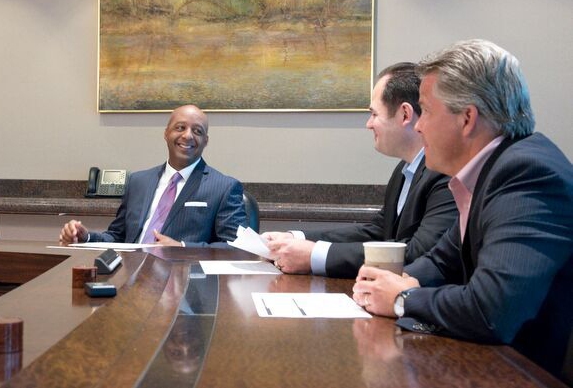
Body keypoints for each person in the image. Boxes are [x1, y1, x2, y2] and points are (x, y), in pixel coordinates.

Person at [352, 39, 573, 382]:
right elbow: (444, 258)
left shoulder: (527, 174)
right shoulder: (491, 170)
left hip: (520, 374)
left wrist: (402, 299)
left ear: (467, 118)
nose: (419, 126)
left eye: (424, 111)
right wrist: (404, 279)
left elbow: (492, 309)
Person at [264, 63, 457, 278]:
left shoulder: (446, 175)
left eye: (374, 114)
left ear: (404, 114)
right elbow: (377, 232)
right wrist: (296, 238)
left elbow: (418, 253)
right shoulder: (404, 169)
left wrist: (314, 255)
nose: (368, 124)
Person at [59, 104, 246, 248]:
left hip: (183, 283)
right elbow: (118, 236)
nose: (188, 136)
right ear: (166, 133)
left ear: (206, 141)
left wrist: (182, 248)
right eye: (180, 128)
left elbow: (237, 247)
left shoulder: (224, 187)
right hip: (129, 277)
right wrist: (86, 237)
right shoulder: (138, 181)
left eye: (197, 131)